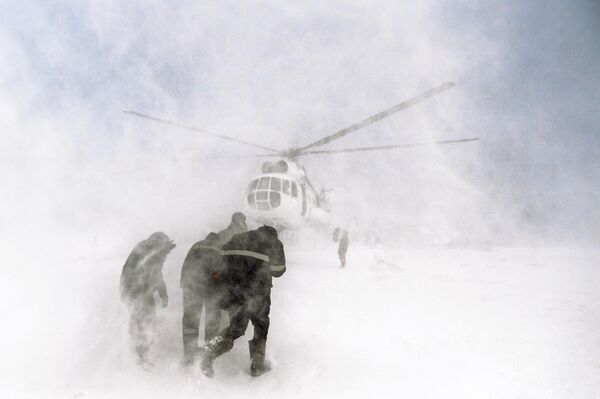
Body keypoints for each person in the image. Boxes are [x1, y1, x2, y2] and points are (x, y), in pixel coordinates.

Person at [199, 225, 286, 378]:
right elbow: (279, 270)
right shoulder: (273, 242)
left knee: (236, 328)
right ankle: (257, 365)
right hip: (256, 293)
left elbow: (219, 261)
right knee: (260, 326)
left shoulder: (238, 238)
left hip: (232, 292)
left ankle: (209, 353)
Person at [120, 232, 176, 368]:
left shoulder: (149, 250)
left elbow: (155, 273)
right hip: (138, 292)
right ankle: (137, 356)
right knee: (144, 322)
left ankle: (139, 355)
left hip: (139, 292)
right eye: (165, 250)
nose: (166, 255)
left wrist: (162, 292)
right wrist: (160, 293)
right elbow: (148, 272)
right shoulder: (149, 250)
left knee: (145, 322)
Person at [179, 232, 225, 366]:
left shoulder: (196, 245)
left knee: (190, 320)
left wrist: (185, 285)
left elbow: (186, 266)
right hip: (212, 288)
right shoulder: (221, 247)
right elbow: (222, 270)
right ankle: (207, 356)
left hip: (191, 286)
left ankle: (189, 355)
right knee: (213, 320)